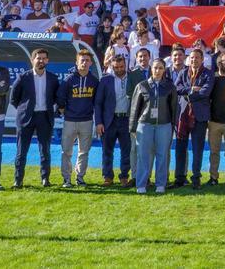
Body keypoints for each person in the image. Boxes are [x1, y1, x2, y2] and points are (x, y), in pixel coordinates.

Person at [9, 47, 59, 188]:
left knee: (45, 150)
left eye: (44, 58)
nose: (41, 61)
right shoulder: (23, 77)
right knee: (21, 151)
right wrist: (25, 110)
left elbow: (55, 98)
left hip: (45, 117)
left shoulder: (53, 78)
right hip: (26, 118)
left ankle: (45, 179)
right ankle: (18, 180)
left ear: (47, 60)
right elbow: (14, 99)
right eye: (38, 58)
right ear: (32, 60)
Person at [129, 59, 178, 194]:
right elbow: (134, 108)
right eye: (155, 68)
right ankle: (141, 184)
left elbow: (174, 108)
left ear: (164, 70)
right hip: (145, 125)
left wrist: (172, 126)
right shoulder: (142, 86)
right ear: (151, 69)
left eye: (160, 68)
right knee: (143, 155)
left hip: (164, 125)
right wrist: (133, 128)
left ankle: (160, 184)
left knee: (162, 155)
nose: (157, 71)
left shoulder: (170, 87)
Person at [57, 50, 97, 188]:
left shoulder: (94, 81)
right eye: (82, 60)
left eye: (87, 60)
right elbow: (60, 97)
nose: (84, 63)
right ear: (76, 62)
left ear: (91, 63)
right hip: (70, 121)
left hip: (86, 121)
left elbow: (97, 100)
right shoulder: (69, 80)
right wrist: (64, 111)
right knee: (66, 151)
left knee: (83, 152)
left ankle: (80, 177)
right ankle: (66, 178)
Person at [94, 53, 133, 187]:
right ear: (112, 66)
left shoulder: (133, 78)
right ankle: (108, 177)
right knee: (107, 150)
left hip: (126, 119)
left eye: (121, 66)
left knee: (126, 150)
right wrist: (98, 122)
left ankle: (124, 176)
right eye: (116, 67)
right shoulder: (105, 80)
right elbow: (98, 103)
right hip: (108, 121)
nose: (119, 69)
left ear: (125, 65)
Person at [179, 47, 213, 189]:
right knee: (181, 148)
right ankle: (180, 177)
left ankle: (196, 178)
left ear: (202, 59)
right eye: (192, 58)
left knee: (197, 149)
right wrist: (192, 90)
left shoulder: (208, 74)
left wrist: (187, 94)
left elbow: (205, 92)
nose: (194, 60)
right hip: (183, 115)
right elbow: (177, 89)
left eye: (197, 58)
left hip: (199, 117)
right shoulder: (183, 72)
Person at [206, 52, 225, 186]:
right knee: (214, 152)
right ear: (219, 64)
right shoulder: (213, 77)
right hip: (214, 121)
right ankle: (213, 177)